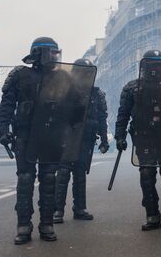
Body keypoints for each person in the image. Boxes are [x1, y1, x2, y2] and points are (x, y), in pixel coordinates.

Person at [114, 50, 161, 232]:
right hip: (144, 137)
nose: (156, 69)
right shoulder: (132, 87)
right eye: (153, 65)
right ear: (145, 67)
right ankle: (152, 215)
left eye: (159, 65)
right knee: (147, 175)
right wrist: (120, 135)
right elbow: (123, 115)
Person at [0, 37, 63, 244]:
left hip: (50, 135)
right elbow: (7, 105)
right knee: (25, 179)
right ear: (41, 53)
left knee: (49, 179)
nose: (55, 57)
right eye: (52, 53)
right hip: (26, 134)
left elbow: (72, 108)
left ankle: (47, 224)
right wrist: (3, 130)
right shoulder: (20, 75)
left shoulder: (61, 78)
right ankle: (24, 226)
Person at [53, 58, 110, 224]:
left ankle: (80, 208)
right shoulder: (64, 90)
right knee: (63, 173)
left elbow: (101, 117)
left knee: (80, 173)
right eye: (82, 72)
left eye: (87, 72)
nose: (84, 75)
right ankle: (58, 210)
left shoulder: (97, 94)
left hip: (86, 138)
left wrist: (104, 139)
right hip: (67, 137)